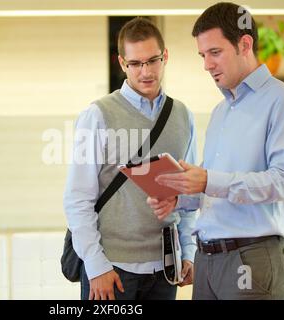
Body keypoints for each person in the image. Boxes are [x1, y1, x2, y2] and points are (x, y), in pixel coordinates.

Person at [147, 2, 284, 300]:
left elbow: (283, 182)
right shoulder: (220, 112)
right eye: (202, 55)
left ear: (244, 44)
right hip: (208, 259)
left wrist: (208, 179)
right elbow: (214, 188)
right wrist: (180, 198)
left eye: (215, 52)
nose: (207, 65)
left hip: (251, 257)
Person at [63, 17, 198, 300]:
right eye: (135, 63)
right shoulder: (97, 115)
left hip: (165, 267)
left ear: (166, 57)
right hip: (112, 268)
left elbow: (187, 193)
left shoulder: (183, 116)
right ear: (122, 63)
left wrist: (189, 252)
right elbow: (78, 198)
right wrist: (96, 265)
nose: (145, 71)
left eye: (153, 60)